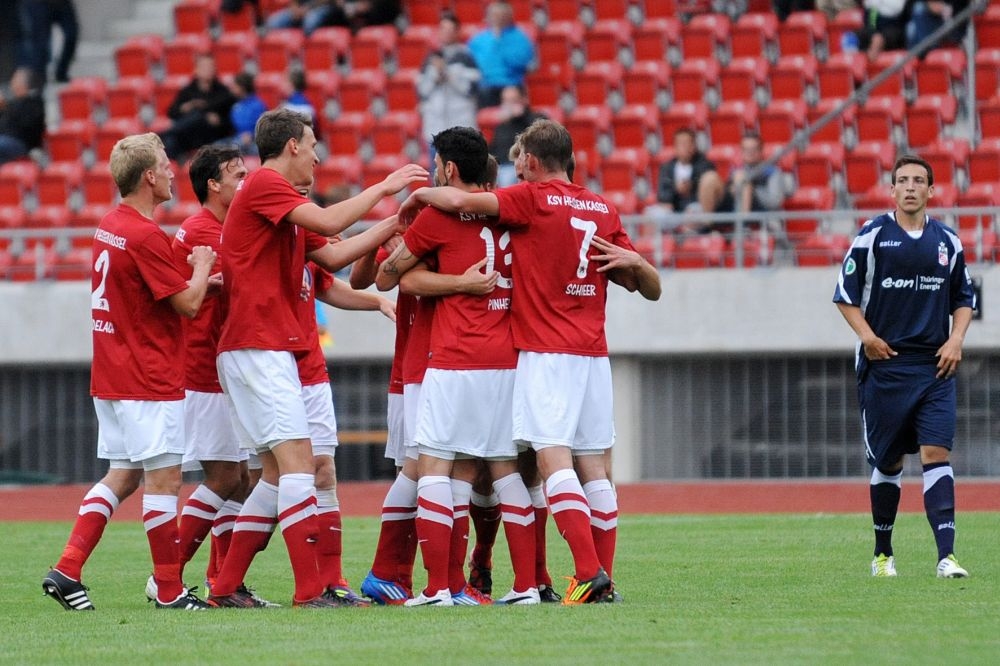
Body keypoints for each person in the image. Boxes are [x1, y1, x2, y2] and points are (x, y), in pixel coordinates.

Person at [397, 119, 661, 603]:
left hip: (546, 354)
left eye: (519, 163)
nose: (515, 171)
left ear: (533, 162)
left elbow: (459, 201)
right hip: (594, 355)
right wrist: (641, 264)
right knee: (594, 467)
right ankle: (599, 579)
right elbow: (650, 289)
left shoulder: (531, 199)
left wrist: (417, 196)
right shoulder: (602, 208)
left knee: (549, 460)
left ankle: (587, 573)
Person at [203, 108, 425, 609]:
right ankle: (310, 591)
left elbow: (331, 258)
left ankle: (226, 586)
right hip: (258, 346)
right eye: (313, 146)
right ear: (292, 146)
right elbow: (329, 222)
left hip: (263, 348)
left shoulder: (283, 205)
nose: (318, 157)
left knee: (277, 474)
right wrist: (385, 187)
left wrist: (394, 224)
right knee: (301, 464)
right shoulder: (265, 184)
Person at [41, 133, 217, 611]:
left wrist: (198, 281)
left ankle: (67, 568)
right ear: (149, 177)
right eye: (165, 163)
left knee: (123, 474)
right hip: (148, 376)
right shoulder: (145, 234)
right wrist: (203, 266)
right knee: (164, 481)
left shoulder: (110, 225)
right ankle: (169, 590)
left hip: (112, 374)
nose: (172, 171)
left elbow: (151, 291)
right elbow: (188, 304)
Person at [376, 128, 539, 606]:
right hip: (507, 360)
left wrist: (456, 284)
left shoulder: (438, 217)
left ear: (448, 169)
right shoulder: (514, 209)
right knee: (504, 469)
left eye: (435, 164)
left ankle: (436, 589)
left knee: (433, 467)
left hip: (455, 359)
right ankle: (526, 586)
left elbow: (389, 276)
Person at [142, 145, 277, 608]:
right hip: (204, 369)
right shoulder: (204, 231)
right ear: (213, 185)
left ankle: (223, 581)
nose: (245, 181)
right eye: (237, 175)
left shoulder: (219, 227)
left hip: (219, 368)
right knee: (224, 477)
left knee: (239, 479)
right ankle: (168, 576)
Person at [833, 155, 976, 579]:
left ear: (931, 190)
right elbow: (844, 295)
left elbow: (964, 299)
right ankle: (883, 554)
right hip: (886, 365)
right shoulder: (872, 236)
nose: (910, 187)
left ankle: (946, 557)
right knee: (889, 461)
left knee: (936, 453)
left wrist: (956, 339)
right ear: (892, 190)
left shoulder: (948, 241)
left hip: (934, 366)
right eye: (903, 180)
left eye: (918, 180)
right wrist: (868, 337)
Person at [417, 12, 480, 172]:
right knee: (438, 174)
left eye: (450, 30)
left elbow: (471, 89)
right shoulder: (431, 57)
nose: (446, 34)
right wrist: (436, 75)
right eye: (443, 29)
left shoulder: (466, 56)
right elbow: (422, 91)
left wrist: (448, 74)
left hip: (461, 125)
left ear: (458, 31)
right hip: (436, 126)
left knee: (463, 173)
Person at [159, 55, 236, 161]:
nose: (208, 70)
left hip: (212, 136)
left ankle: (163, 134)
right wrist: (186, 107)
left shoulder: (223, 91)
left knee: (199, 116)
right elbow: (172, 112)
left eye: (211, 66)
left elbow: (230, 120)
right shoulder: (187, 91)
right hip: (189, 136)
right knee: (170, 141)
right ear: (196, 70)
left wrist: (219, 121)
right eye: (204, 67)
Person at [710, 133, 787, 235]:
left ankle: (743, 226)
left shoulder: (772, 172)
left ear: (761, 151)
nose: (750, 153)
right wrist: (733, 190)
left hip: (763, 213)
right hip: (735, 211)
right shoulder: (736, 171)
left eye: (754, 149)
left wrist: (751, 190)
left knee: (743, 181)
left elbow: (774, 202)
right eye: (746, 149)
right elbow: (730, 194)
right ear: (741, 151)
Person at [467, 1, 535, 108]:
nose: (497, 18)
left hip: (512, 87)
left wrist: (500, 41)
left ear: (509, 17)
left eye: (501, 15)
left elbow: (521, 63)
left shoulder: (520, 38)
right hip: (485, 88)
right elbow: (469, 63)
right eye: (494, 15)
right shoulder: (478, 39)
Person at [649, 127, 723, 225]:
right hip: (673, 209)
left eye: (687, 143)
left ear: (694, 146)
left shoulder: (705, 165)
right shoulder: (667, 167)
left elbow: (708, 192)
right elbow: (662, 194)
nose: (684, 147)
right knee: (650, 214)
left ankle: (688, 233)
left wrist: (691, 187)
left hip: (696, 206)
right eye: (681, 144)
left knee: (693, 212)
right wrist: (675, 190)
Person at [489, 85, 544, 188]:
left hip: (525, 165)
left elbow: (542, 136)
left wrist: (522, 115)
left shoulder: (534, 118)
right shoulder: (502, 125)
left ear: (524, 100)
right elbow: (494, 149)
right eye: (505, 101)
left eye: (513, 101)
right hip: (502, 165)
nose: (508, 105)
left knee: (507, 177)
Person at [19, 0, 78, 84]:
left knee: (71, 35)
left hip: (61, 3)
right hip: (38, 3)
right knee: (40, 43)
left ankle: (61, 72)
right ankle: (39, 77)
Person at [0, 67, 45, 165]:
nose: (11, 83)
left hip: (19, 142)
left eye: (14, 80)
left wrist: (5, 107)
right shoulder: (12, 103)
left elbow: (28, 125)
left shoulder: (34, 101)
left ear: (23, 83)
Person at [228, 72, 267, 156]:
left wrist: (251, 135)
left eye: (235, 86)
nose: (232, 89)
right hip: (237, 138)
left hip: (254, 141)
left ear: (242, 87)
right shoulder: (235, 104)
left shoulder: (258, 105)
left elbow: (262, 126)